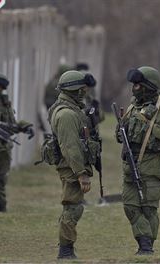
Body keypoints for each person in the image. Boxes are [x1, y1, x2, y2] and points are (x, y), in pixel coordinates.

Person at [116, 66, 160, 255]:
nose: (134, 88)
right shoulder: (133, 107)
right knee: (130, 207)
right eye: (133, 84)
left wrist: (151, 127)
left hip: (152, 168)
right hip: (130, 167)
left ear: (148, 86)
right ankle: (145, 243)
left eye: (138, 84)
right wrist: (121, 129)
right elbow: (123, 135)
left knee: (148, 210)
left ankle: (146, 247)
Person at [48, 70, 99, 259]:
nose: (85, 92)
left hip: (72, 166)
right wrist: (81, 172)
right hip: (71, 167)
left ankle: (66, 248)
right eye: (82, 89)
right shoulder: (67, 114)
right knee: (72, 207)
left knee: (73, 206)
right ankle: (65, 251)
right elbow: (70, 146)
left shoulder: (70, 108)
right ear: (75, 90)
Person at [0, 73, 34, 212]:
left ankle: (1, 208)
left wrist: (26, 126)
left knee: (1, 180)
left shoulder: (5, 103)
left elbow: (13, 123)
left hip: (5, 147)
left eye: (1, 87)